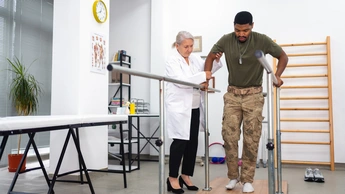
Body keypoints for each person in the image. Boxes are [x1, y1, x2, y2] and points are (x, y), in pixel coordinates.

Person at [204, 11, 288, 193]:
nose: (241, 34)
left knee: (251, 138)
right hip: (232, 95)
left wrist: (278, 76)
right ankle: (233, 177)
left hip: (253, 96)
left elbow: (283, 56)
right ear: (233, 27)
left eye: (245, 30)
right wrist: (207, 76)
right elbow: (210, 57)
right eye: (237, 30)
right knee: (229, 136)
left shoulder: (262, 40)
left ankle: (247, 179)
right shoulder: (226, 40)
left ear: (252, 26)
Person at [165, 31, 223, 194]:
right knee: (179, 143)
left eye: (191, 46)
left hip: (194, 106)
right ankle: (172, 179)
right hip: (179, 107)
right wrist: (202, 76)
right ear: (177, 46)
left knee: (192, 143)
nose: (189, 49)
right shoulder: (172, 60)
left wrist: (216, 62)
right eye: (186, 46)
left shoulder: (194, 58)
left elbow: (206, 69)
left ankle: (185, 176)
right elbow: (181, 81)